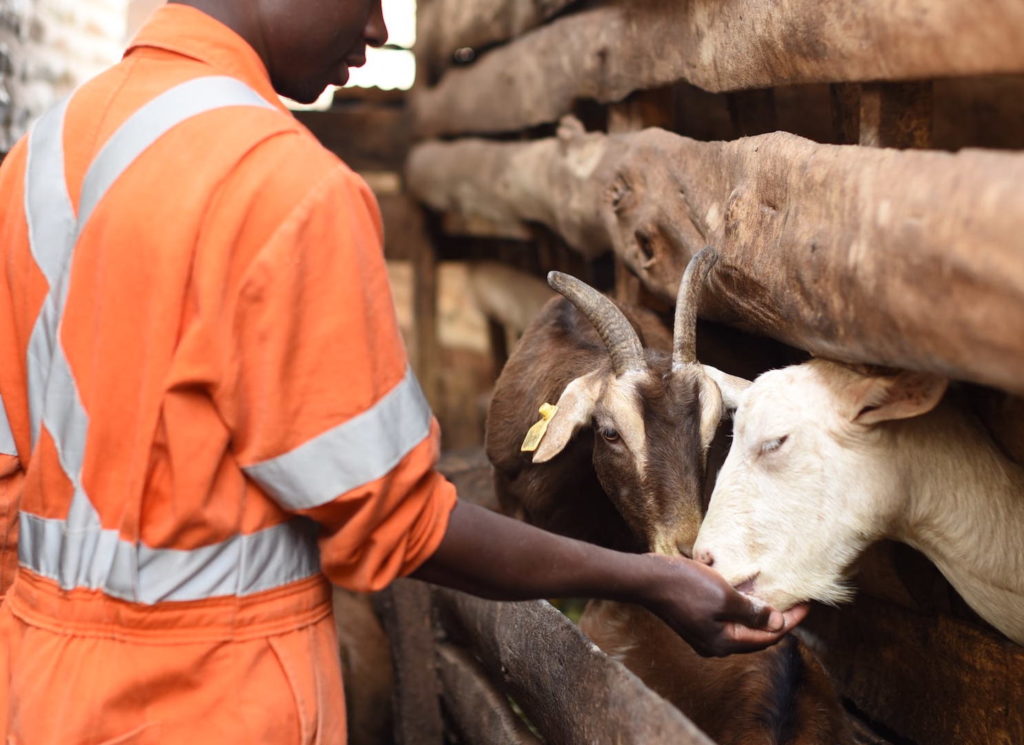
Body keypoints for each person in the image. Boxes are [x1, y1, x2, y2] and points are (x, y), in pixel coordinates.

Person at [0, 0, 806, 742]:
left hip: (36, 692)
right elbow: (400, 523)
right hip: (217, 701)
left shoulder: (36, 163)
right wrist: (649, 581)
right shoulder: (286, 187)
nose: (383, 28)